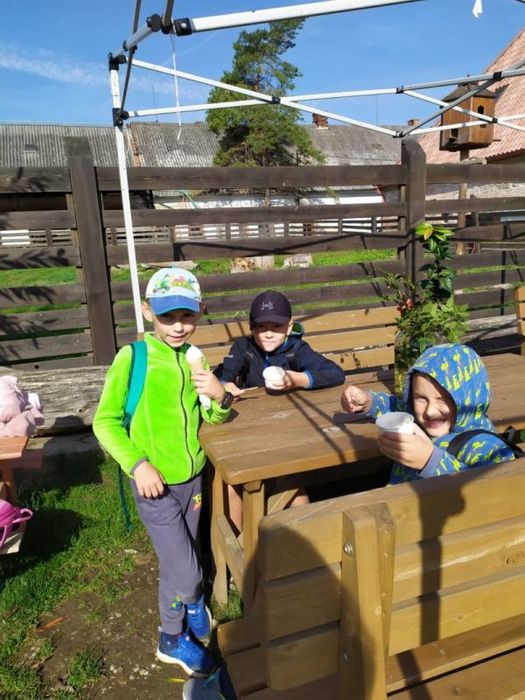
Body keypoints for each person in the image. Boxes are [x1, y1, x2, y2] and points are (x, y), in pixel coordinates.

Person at [93, 267, 234, 678]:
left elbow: (211, 416)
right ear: (147, 311)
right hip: (154, 487)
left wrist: (220, 397)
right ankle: (171, 638)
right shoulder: (132, 358)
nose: (178, 326)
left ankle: (187, 609)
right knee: (187, 571)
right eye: (167, 316)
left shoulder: (195, 358)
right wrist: (138, 464)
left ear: (200, 311)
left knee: (180, 559)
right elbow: (105, 422)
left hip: (193, 481)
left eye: (187, 316)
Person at [215, 289, 346, 531]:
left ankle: (308, 538)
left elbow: (335, 373)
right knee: (233, 482)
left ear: (289, 327)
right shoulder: (244, 347)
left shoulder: (297, 349)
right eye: (261, 327)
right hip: (250, 431)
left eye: (276, 326)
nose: (268, 333)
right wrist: (225, 384)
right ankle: (241, 541)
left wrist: (298, 379)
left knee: (290, 482)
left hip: (289, 433)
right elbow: (224, 374)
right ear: (251, 327)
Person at [340, 343, 515, 483]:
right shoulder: (420, 419)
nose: (430, 411)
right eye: (421, 398)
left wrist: (430, 461)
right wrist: (368, 401)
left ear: (469, 398)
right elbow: (395, 407)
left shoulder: (487, 447)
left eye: (444, 399)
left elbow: (491, 491)